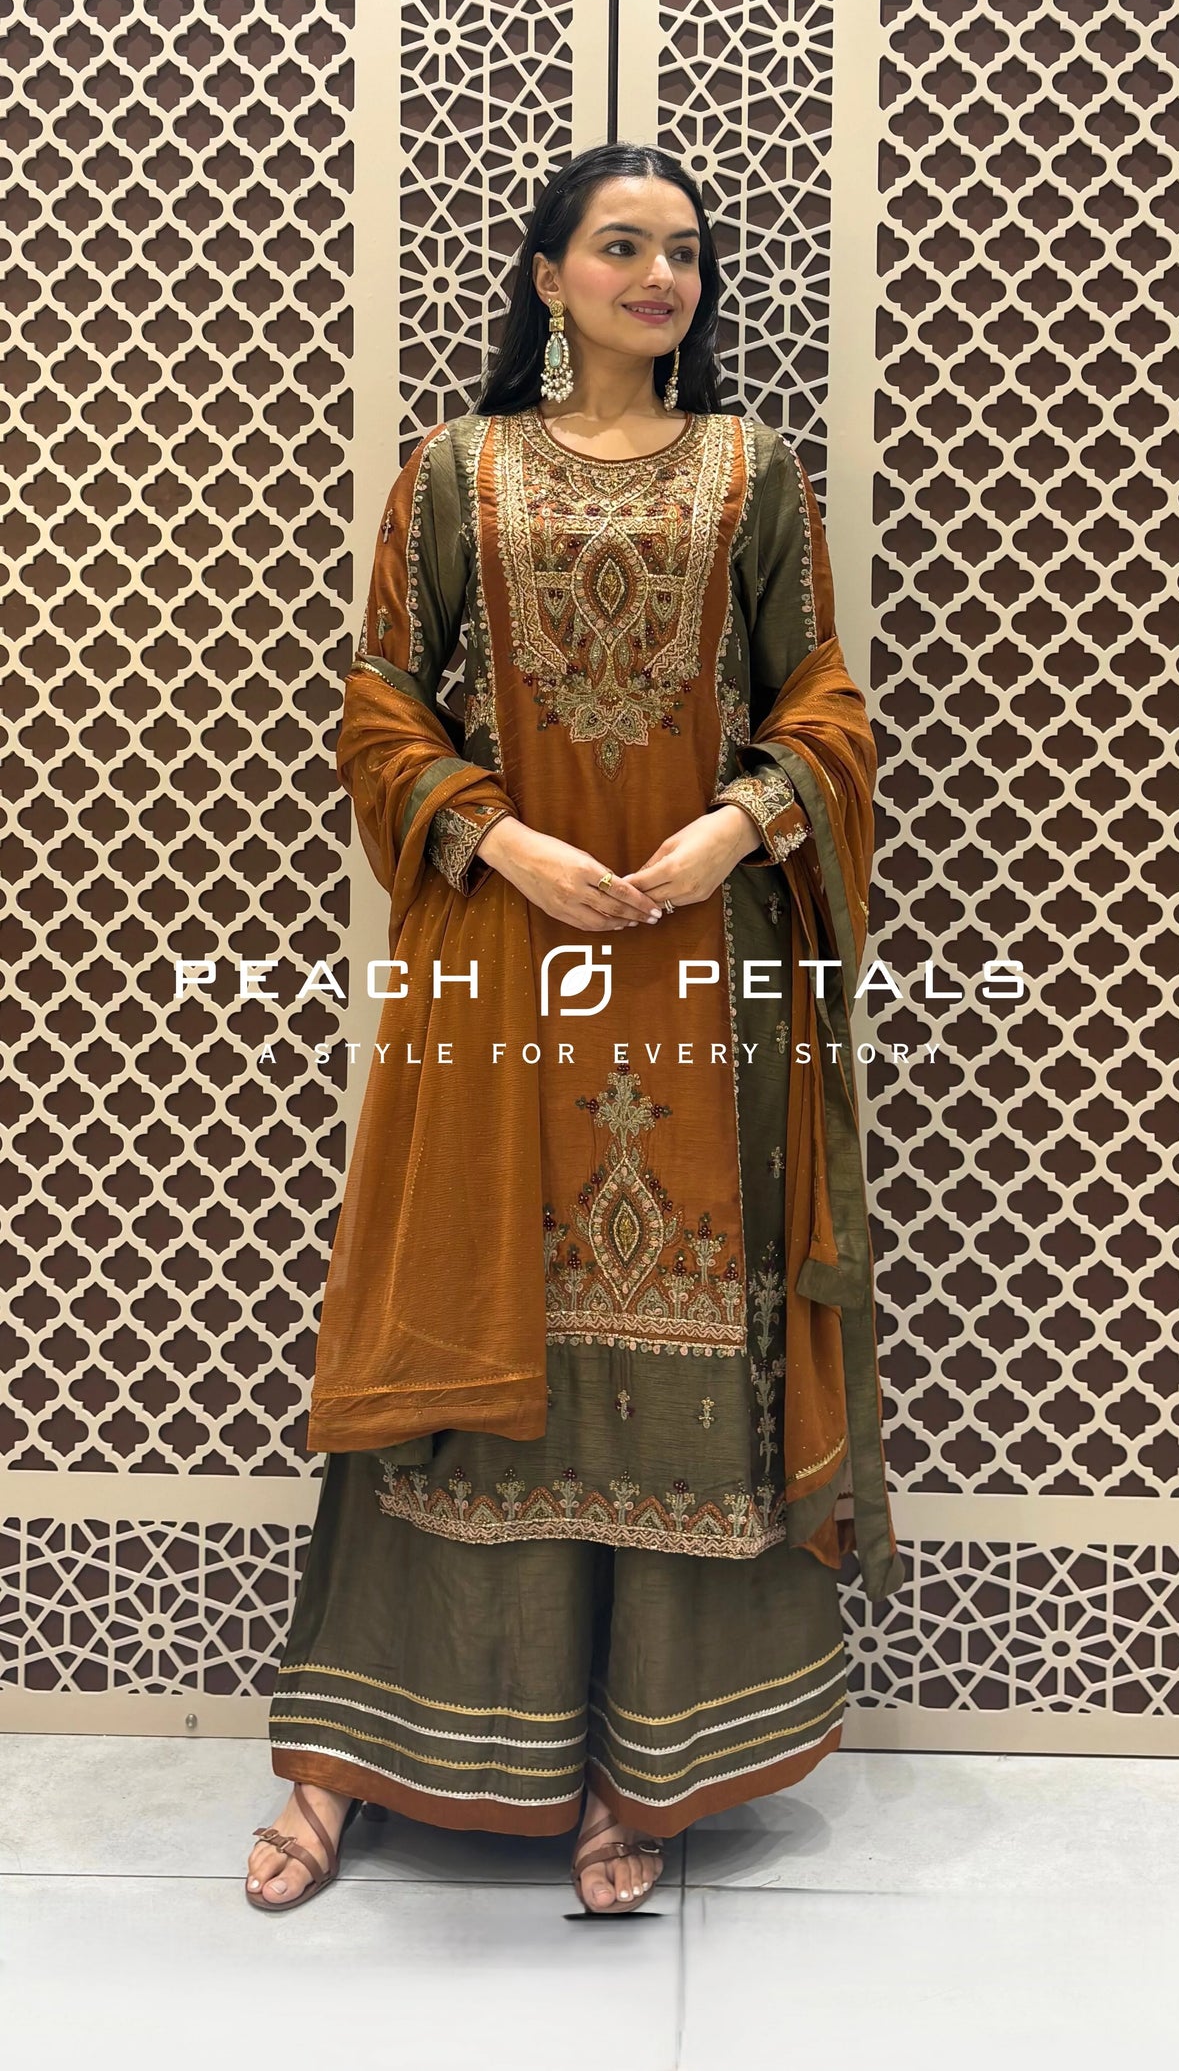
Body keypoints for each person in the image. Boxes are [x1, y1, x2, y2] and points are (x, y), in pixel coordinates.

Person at [245, 141, 903, 1920]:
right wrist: (507, 840)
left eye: (683, 251)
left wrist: (734, 827)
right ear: (548, 277)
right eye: (621, 246)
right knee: (467, 1332)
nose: (659, 276)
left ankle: (645, 1762)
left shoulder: (756, 473)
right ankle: (354, 1751)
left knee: (684, 1344)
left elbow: (824, 708)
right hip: (505, 961)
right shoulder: (454, 473)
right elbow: (381, 707)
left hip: (696, 966)